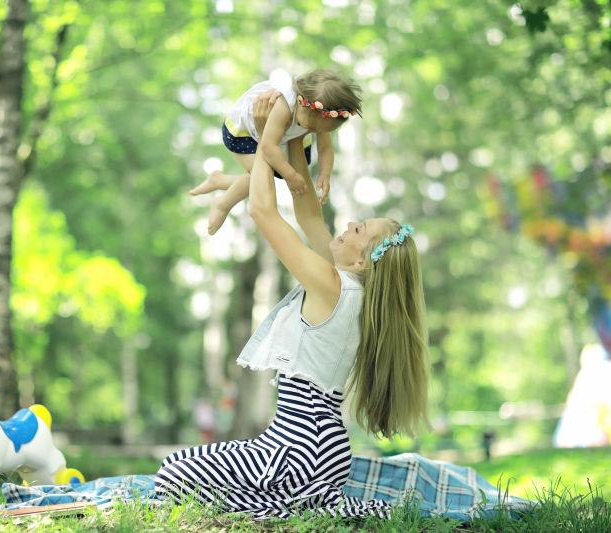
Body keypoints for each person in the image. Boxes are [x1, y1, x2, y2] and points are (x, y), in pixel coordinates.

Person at [155, 99, 429, 519]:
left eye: (360, 229)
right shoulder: (349, 287)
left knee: (173, 472)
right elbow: (306, 210)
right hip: (318, 447)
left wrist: (267, 141)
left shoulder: (333, 286)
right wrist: (294, 138)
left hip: (299, 448)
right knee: (188, 472)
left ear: (361, 261)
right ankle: (305, 502)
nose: (350, 223)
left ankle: (298, 505)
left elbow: (263, 211)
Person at [190, 69, 362, 235]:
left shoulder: (317, 114)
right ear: (302, 103)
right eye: (310, 128)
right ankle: (222, 204)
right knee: (259, 179)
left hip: (279, 137)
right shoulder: (284, 105)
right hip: (246, 133)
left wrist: (325, 174)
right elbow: (268, 146)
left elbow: (325, 148)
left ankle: (219, 180)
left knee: (264, 177)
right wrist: (290, 175)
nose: (313, 132)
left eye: (318, 131)